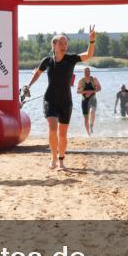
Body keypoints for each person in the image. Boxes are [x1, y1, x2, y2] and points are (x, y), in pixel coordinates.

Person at [25, 27, 96, 170]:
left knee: (62, 134)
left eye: (65, 43)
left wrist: (92, 40)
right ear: (54, 45)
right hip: (50, 99)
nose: (64, 46)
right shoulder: (47, 61)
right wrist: (28, 85)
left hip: (66, 101)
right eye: (61, 43)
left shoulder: (71, 59)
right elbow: (37, 73)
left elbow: (88, 55)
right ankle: (53, 158)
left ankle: (61, 159)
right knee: (52, 128)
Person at [77, 67, 102, 135]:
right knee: (86, 118)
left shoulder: (94, 79)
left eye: (88, 71)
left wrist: (92, 91)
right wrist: (86, 92)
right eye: (86, 72)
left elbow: (99, 88)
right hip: (84, 101)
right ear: (84, 73)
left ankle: (91, 126)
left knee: (92, 111)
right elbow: (78, 91)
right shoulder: (81, 81)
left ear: (90, 72)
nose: (87, 73)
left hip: (92, 99)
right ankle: (88, 134)